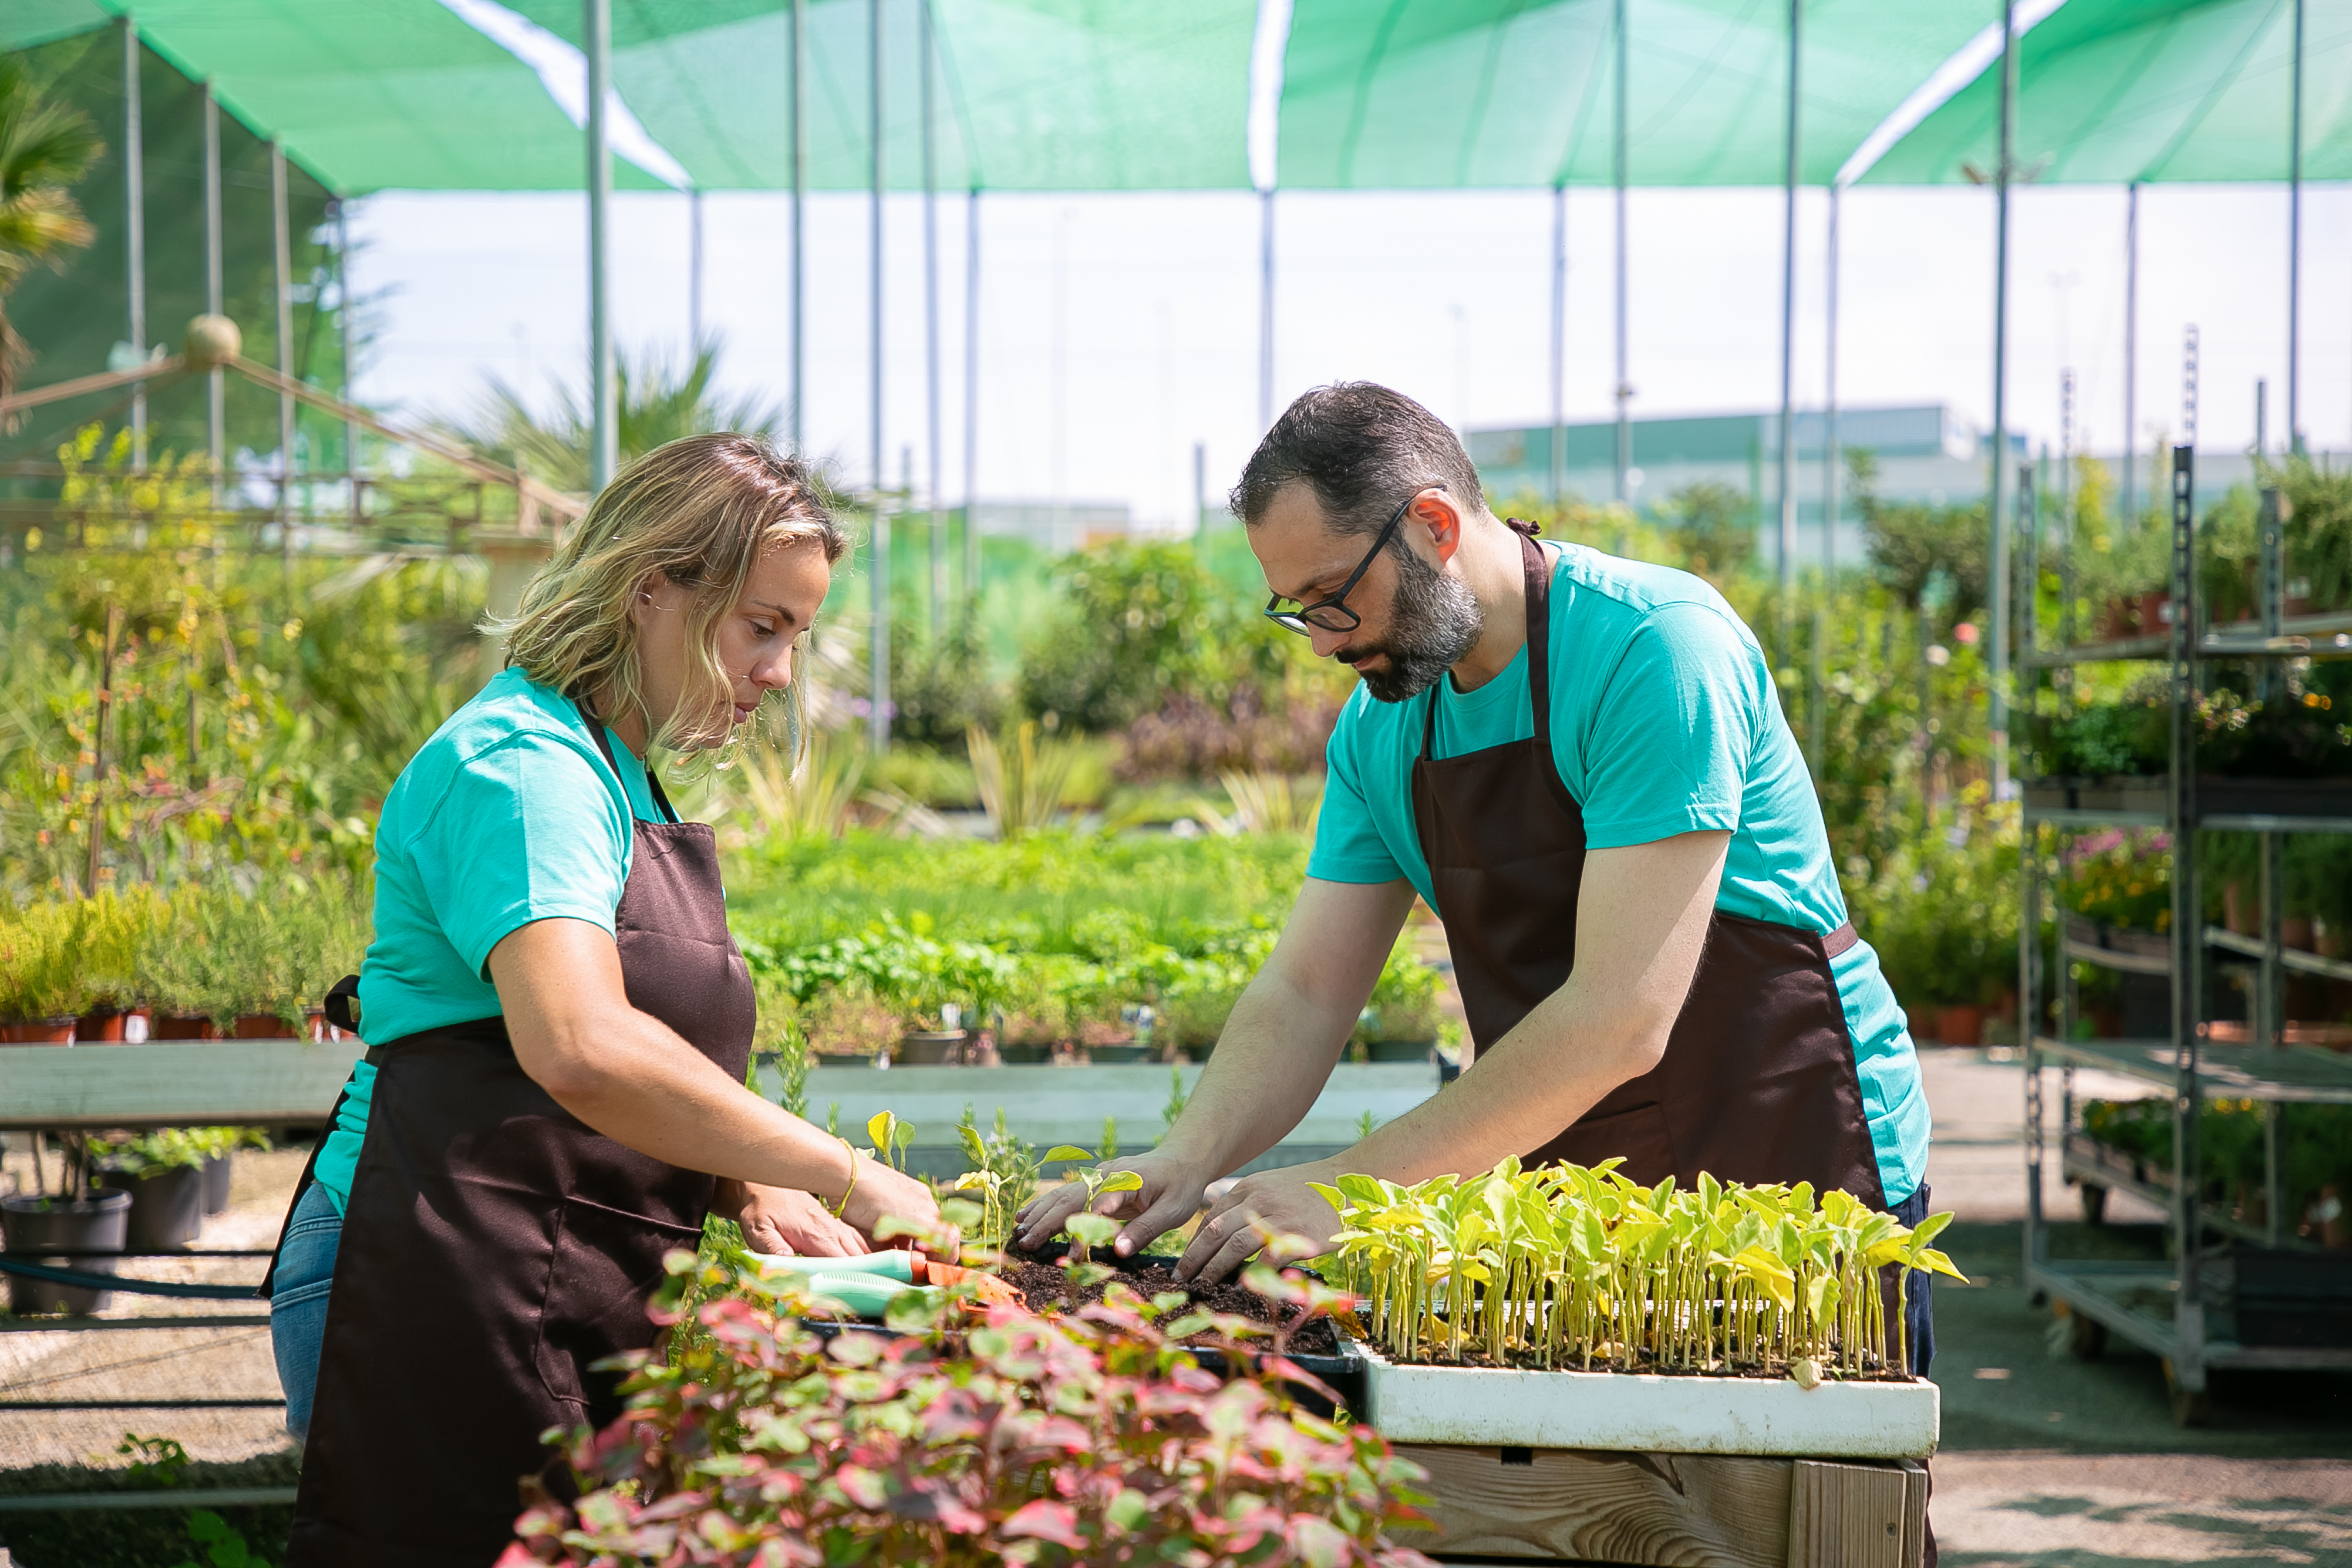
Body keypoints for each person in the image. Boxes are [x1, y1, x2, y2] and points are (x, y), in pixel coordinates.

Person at [1019, 383, 1933, 1370]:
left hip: (1786, 1146)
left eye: (1332, 596)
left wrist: (1354, 1185)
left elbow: (1621, 1014)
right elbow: (1308, 989)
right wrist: (1184, 1155)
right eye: (1297, 612)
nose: (1323, 642)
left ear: (1434, 525)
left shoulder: (1652, 649)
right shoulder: (1382, 726)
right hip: (1575, 1170)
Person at [268, 434, 948, 1566]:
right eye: (762, 626)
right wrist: (843, 1169)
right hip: (425, 1262)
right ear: (651, 590)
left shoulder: (614, 770)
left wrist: (743, 1183)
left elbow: (618, 1052)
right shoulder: (524, 769)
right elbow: (580, 1044)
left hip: (534, 1256)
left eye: (797, 636)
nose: (780, 672)